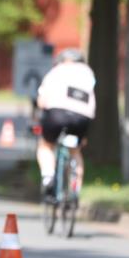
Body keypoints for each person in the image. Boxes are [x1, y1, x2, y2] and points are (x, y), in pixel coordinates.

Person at [34, 48, 95, 198]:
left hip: (57, 114)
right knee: (75, 151)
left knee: (46, 145)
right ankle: (75, 189)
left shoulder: (55, 72)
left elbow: (42, 100)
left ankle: (48, 177)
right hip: (82, 117)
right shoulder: (88, 73)